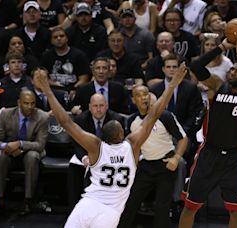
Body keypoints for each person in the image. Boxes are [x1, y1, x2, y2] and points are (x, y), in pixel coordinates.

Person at [33, 58, 186, 227]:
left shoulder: (96, 146)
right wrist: (171, 86)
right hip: (111, 211)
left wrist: (48, 91)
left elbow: (66, 123)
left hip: (89, 203)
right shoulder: (132, 145)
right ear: (122, 133)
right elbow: (154, 113)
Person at [183, 29, 237, 228]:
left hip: (234, 159)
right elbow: (195, 65)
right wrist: (222, 47)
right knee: (190, 206)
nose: (233, 71)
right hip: (209, 153)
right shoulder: (217, 86)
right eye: (232, 69)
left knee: (236, 211)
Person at [118, 89, 188, 228]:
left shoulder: (165, 116)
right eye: (139, 95)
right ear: (133, 100)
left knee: (161, 207)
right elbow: (131, 145)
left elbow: (183, 138)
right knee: (130, 202)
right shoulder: (132, 121)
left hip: (165, 165)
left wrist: (176, 158)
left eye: (146, 94)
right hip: (145, 166)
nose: (143, 98)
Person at [0, 89, 49, 216]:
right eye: (26, 103)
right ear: (19, 103)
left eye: (32, 103)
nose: (30, 107)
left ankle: (28, 201)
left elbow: (40, 145)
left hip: (29, 154)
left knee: (32, 156)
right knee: (0, 155)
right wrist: (7, 146)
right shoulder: (6, 114)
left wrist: (20, 144)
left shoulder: (42, 117)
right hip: (9, 154)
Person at [68, 93, 125, 209]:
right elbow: (75, 143)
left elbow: (119, 144)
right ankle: (75, 207)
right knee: (73, 168)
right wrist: (84, 157)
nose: (98, 109)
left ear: (107, 106)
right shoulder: (80, 119)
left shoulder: (116, 120)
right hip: (86, 156)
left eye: (101, 105)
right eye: (95, 106)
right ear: (89, 107)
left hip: (108, 158)